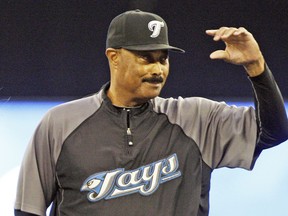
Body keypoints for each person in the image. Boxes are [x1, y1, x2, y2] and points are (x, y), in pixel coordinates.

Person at [14, 9, 288, 216]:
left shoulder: (196, 119)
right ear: (114, 57)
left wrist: (256, 67)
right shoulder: (60, 123)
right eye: (146, 58)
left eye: (163, 58)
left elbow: (274, 132)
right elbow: (28, 209)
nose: (157, 70)